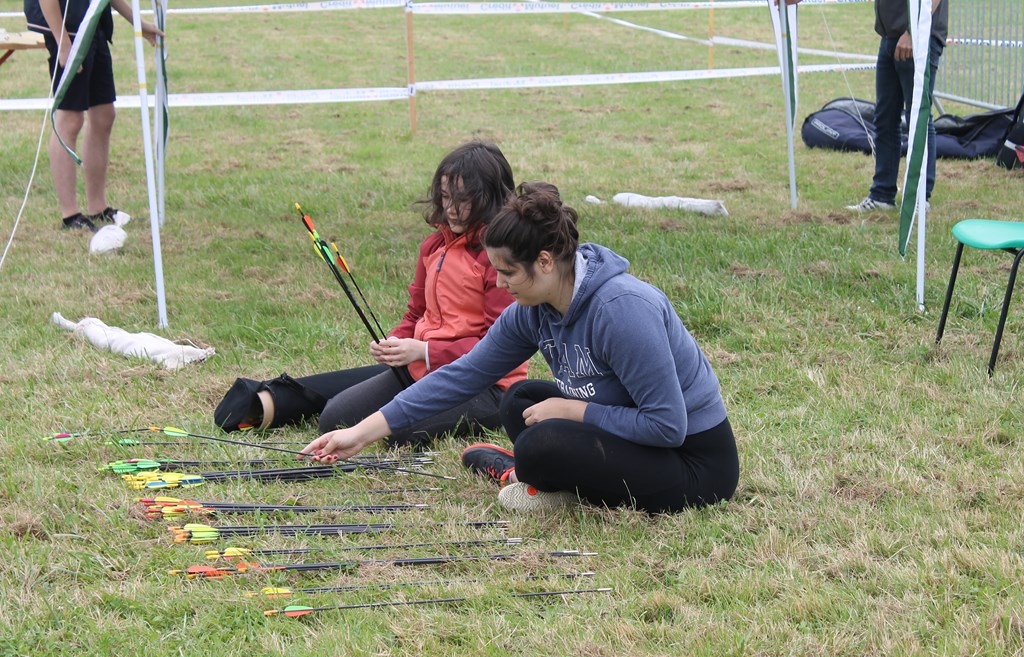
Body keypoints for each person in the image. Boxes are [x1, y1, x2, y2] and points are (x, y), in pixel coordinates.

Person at [302, 182, 739, 515]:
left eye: (508, 272)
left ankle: (527, 472)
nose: (501, 283)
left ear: (545, 261)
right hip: (630, 434)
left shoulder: (622, 310)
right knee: (521, 400)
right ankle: (544, 474)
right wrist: (359, 433)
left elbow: (667, 426)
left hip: (694, 463)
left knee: (541, 444)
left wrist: (573, 412)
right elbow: (462, 376)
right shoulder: (532, 308)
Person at [215, 140, 528, 447]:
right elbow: (416, 314)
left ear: (489, 198)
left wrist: (424, 351)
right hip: (422, 373)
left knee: (399, 432)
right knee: (334, 417)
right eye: (445, 197)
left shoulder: (495, 259)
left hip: (487, 385)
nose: (451, 209)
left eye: (463, 200)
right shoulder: (433, 247)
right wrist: (394, 343)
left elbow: (494, 346)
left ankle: (493, 415)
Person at [25, 0, 163, 231]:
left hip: (91, 22)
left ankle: (98, 208)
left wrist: (137, 21)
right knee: (70, 119)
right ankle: (71, 216)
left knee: (104, 115)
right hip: (66, 29)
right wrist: (63, 43)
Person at [845, 0, 948, 212]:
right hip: (891, 37)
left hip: (917, 37)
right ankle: (882, 195)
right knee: (884, 118)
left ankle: (919, 197)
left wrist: (912, 31)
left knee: (918, 118)